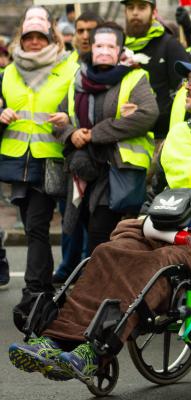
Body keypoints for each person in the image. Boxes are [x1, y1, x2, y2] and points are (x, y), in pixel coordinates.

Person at [8, 55, 191, 382]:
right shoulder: (178, 135)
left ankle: (95, 350)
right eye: (186, 79)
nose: (186, 86)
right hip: (171, 228)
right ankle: (57, 338)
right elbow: (158, 193)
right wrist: (146, 221)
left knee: (159, 263)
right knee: (108, 251)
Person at [0, 5, 78, 331]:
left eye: (39, 36)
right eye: (28, 36)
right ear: (21, 36)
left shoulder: (70, 67)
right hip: (18, 161)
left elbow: (81, 111)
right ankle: (41, 291)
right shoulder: (8, 72)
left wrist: (70, 121)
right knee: (33, 228)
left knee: (38, 226)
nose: (33, 42)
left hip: (51, 159)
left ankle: (36, 293)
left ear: (51, 37)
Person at [58, 22, 159, 256]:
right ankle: (95, 283)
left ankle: (97, 288)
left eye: (110, 46)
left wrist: (95, 134)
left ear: (120, 50)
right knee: (84, 227)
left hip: (115, 171)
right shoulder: (78, 78)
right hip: (84, 170)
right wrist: (72, 134)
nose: (104, 51)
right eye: (99, 45)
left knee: (99, 233)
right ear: (91, 48)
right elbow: (62, 116)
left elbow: (147, 115)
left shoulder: (135, 77)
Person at [53, 11, 105, 285]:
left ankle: (88, 270)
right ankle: (68, 267)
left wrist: (93, 134)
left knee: (95, 222)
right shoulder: (64, 64)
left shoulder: (112, 63)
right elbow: (59, 110)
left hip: (102, 158)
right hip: (73, 156)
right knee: (70, 215)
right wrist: (71, 133)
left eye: (91, 30)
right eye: (80, 30)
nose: (85, 36)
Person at [122, 0, 190, 141]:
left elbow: (186, 93)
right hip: (122, 137)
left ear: (154, 12)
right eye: (130, 7)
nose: (135, 12)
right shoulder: (117, 47)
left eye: (142, 7)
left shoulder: (170, 45)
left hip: (160, 138)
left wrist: (144, 115)